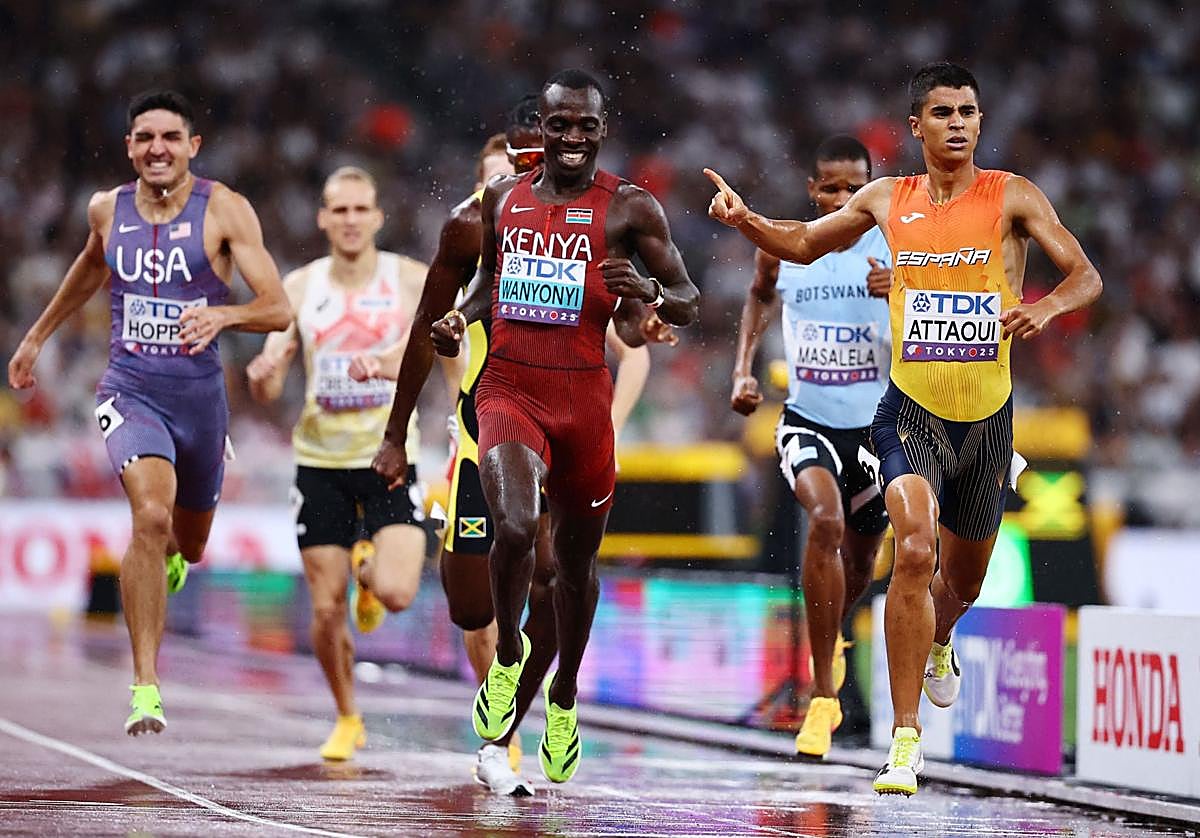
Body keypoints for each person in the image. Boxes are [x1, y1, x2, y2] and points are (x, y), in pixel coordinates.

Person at [706, 62, 1101, 795]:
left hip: (987, 422)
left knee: (964, 580)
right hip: (908, 412)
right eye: (943, 111)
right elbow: (802, 243)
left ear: (981, 122)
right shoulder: (887, 198)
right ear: (915, 127)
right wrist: (745, 220)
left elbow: (1085, 275)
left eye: (970, 111)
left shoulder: (1012, 195)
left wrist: (1043, 309)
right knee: (912, 549)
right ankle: (905, 741)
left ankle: (943, 637)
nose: (958, 122)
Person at [370, 97, 667, 795]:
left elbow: (630, 337)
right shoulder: (476, 226)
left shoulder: (594, 218)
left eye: (532, 157)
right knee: (473, 607)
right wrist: (393, 435)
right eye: (507, 163)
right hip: (484, 435)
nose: (525, 171)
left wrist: (638, 327)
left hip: (564, 431)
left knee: (557, 576)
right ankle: (502, 673)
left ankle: (514, 730)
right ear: (487, 174)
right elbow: (424, 328)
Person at [429, 69, 698, 785]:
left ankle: (566, 696)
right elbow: (489, 284)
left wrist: (650, 295)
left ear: (602, 130)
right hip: (510, 389)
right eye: (560, 125)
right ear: (539, 132)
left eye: (586, 126)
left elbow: (688, 297)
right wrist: (462, 314)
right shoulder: (502, 199)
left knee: (575, 571)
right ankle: (510, 660)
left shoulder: (629, 208)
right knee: (515, 527)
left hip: (585, 405)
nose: (572, 138)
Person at [6, 90, 291, 735]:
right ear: (129, 147)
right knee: (150, 513)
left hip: (198, 400)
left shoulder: (224, 210)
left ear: (193, 146)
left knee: (188, 544)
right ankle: (145, 687)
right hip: (130, 390)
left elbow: (278, 307)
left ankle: (167, 557)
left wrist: (226, 314)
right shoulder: (106, 209)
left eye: (169, 137)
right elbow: (88, 269)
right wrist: (36, 337)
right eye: (143, 138)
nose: (156, 148)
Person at [245, 166, 437, 761]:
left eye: (361, 209)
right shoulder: (300, 287)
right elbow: (269, 385)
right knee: (325, 609)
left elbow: (440, 345)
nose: (351, 220)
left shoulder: (409, 280)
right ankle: (348, 716)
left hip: (390, 455)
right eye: (340, 210)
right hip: (320, 462)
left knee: (400, 591)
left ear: (377, 216)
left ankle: (370, 579)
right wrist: (266, 374)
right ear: (323, 219)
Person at [730, 135, 892, 760]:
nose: (844, 199)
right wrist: (743, 369)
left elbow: (936, 314)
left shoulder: (894, 247)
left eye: (856, 188)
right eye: (832, 187)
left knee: (858, 564)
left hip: (879, 430)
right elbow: (758, 295)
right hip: (808, 420)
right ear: (812, 190)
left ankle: (837, 634)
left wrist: (900, 291)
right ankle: (822, 694)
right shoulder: (788, 244)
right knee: (824, 520)